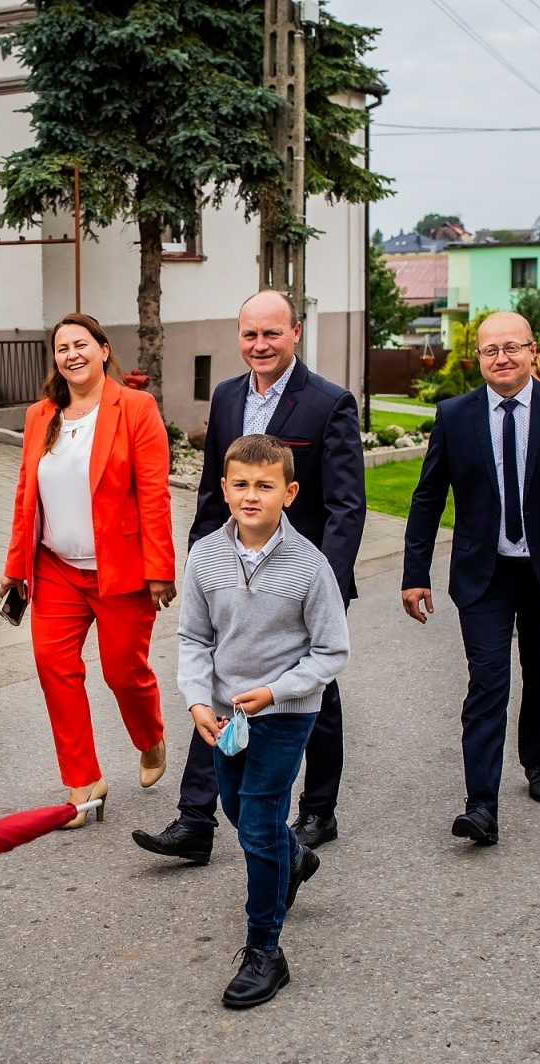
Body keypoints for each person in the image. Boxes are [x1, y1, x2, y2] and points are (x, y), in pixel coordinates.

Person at [134, 290, 365, 864]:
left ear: (295, 333)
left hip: (300, 575)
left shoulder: (330, 403)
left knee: (313, 690)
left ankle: (317, 807)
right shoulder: (228, 395)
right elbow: (215, 490)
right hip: (231, 568)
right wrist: (199, 561)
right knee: (216, 682)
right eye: (249, 335)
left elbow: (346, 506)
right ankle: (195, 819)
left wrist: (323, 584)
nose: (259, 345)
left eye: (271, 333)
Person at [401, 311, 540, 846]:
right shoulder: (455, 416)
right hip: (485, 574)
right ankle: (481, 804)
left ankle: (539, 760)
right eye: (489, 350)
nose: (501, 358)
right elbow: (428, 498)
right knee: (488, 684)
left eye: (511, 348)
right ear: (477, 359)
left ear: (531, 351)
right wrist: (414, 572)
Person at [179, 434, 350, 1009]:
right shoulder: (204, 555)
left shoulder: (310, 566)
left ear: (290, 492)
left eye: (265, 485)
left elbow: (331, 653)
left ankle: (265, 951)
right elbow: (194, 638)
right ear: (224, 488)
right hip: (226, 715)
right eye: (241, 484)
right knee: (237, 811)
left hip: (285, 712)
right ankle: (294, 857)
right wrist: (198, 700)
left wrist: (277, 690)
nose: (251, 496)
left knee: (255, 825)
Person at [1, 313, 175, 827]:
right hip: (55, 568)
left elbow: (155, 494)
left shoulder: (136, 408)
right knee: (55, 670)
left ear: (103, 350)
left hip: (119, 568)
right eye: (62, 348)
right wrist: (16, 567)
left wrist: (159, 568)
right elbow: (24, 498)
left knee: (124, 671)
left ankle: (150, 737)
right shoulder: (40, 416)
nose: (72, 354)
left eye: (81, 344)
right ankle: (83, 784)